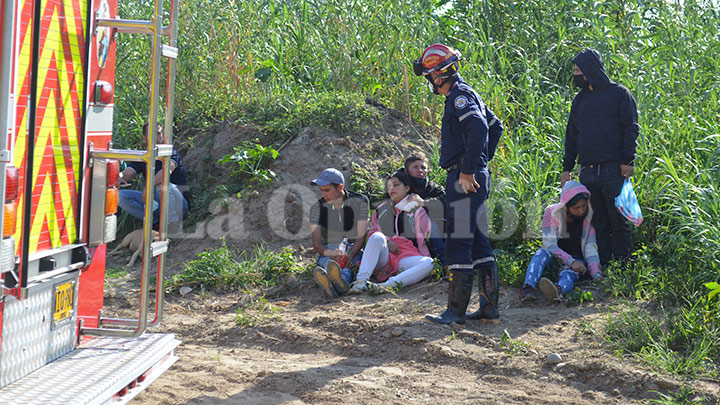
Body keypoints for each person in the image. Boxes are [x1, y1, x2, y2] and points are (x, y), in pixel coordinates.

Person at [413, 43, 504, 325]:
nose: (429, 81)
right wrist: (480, 164)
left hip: (464, 178)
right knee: (476, 240)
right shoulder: (467, 94)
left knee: (459, 240)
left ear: (439, 76)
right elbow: (495, 125)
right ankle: (489, 308)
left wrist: (468, 170)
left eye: (429, 76)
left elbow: (479, 127)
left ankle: (455, 312)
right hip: (474, 174)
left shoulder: (459, 97)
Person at [561, 48, 639, 266]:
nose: (576, 75)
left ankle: (623, 268)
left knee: (619, 220)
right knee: (597, 222)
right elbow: (572, 136)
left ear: (590, 70)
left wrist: (628, 160)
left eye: (579, 70)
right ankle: (604, 266)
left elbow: (630, 128)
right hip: (587, 171)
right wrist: (567, 168)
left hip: (613, 169)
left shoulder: (619, 94)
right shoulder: (580, 101)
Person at [347, 170, 434, 294]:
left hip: (406, 257)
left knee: (429, 263)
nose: (391, 188)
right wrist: (387, 241)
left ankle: (386, 286)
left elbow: (428, 233)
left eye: (396, 185)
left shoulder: (417, 209)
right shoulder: (380, 210)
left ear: (407, 187)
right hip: (385, 258)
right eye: (389, 186)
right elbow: (371, 235)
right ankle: (361, 282)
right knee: (377, 236)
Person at [520, 181, 604, 303]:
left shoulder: (587, 218)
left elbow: (590, 247)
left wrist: (596, 273)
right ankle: (528, 288)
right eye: (576, 208)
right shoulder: (551, 213)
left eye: (584, 206)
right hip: (555, 256)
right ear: (566, 207)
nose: (581, 211)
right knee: (540, 253)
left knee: (569, 274)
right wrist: (571, 261)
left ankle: (557, 291)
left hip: (577, 259)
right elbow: (549, 245)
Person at [309, 168, 369, 299]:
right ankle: (337, 282)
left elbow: (361, 236)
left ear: (340, 187)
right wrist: (330, 254)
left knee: (348, 265)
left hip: (354, 248)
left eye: (327, 190)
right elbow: (317, 243)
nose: (323, 195)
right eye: (321, 190)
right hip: (328, 249)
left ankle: (331, 284)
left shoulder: (360, 201)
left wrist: (351, 254)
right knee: (328, 263)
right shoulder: (316, 208)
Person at [118, 123, 190, 229]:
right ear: (144, 138)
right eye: (152, 134)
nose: (157, 137)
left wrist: (148, 188)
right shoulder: (144, 156)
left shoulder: (170, 152)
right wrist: (117, 178)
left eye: (159, 133)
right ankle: (155, 222)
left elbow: (166, 172)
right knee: (119, 195)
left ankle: (172, 226)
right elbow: (127, 173)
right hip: (156, 205)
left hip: (178, 206)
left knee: (162, 186)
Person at [398, 151, 447, 266]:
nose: (420, 171)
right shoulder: (398, 187)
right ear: (406, 171)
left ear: (427, 171)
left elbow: (444, 202)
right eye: (415, 167)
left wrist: (423, 203)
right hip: (405, 234)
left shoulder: (433, 188)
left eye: (423, 168)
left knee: (434, 225)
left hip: (434, 233)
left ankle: (444, 264)